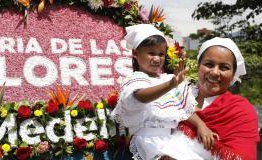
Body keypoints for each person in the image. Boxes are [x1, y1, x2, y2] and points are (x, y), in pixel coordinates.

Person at [111, 24, 217, 160]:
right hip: (149, 139)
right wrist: (170, 85)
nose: (157, 59)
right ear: (135, 53)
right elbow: (142, 96)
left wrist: (201, 125)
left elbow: (184, 109)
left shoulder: (168, 79)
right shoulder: (135, 79)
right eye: (151, 53)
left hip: (172, 138)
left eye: (161, 54)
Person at [160, 37, 260, 160]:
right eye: (209, 64)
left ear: (233, 74)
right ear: (198, 67)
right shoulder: (179, 95)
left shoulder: (241, 111)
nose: (214, 72)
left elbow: (243, 156)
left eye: (224, 67)